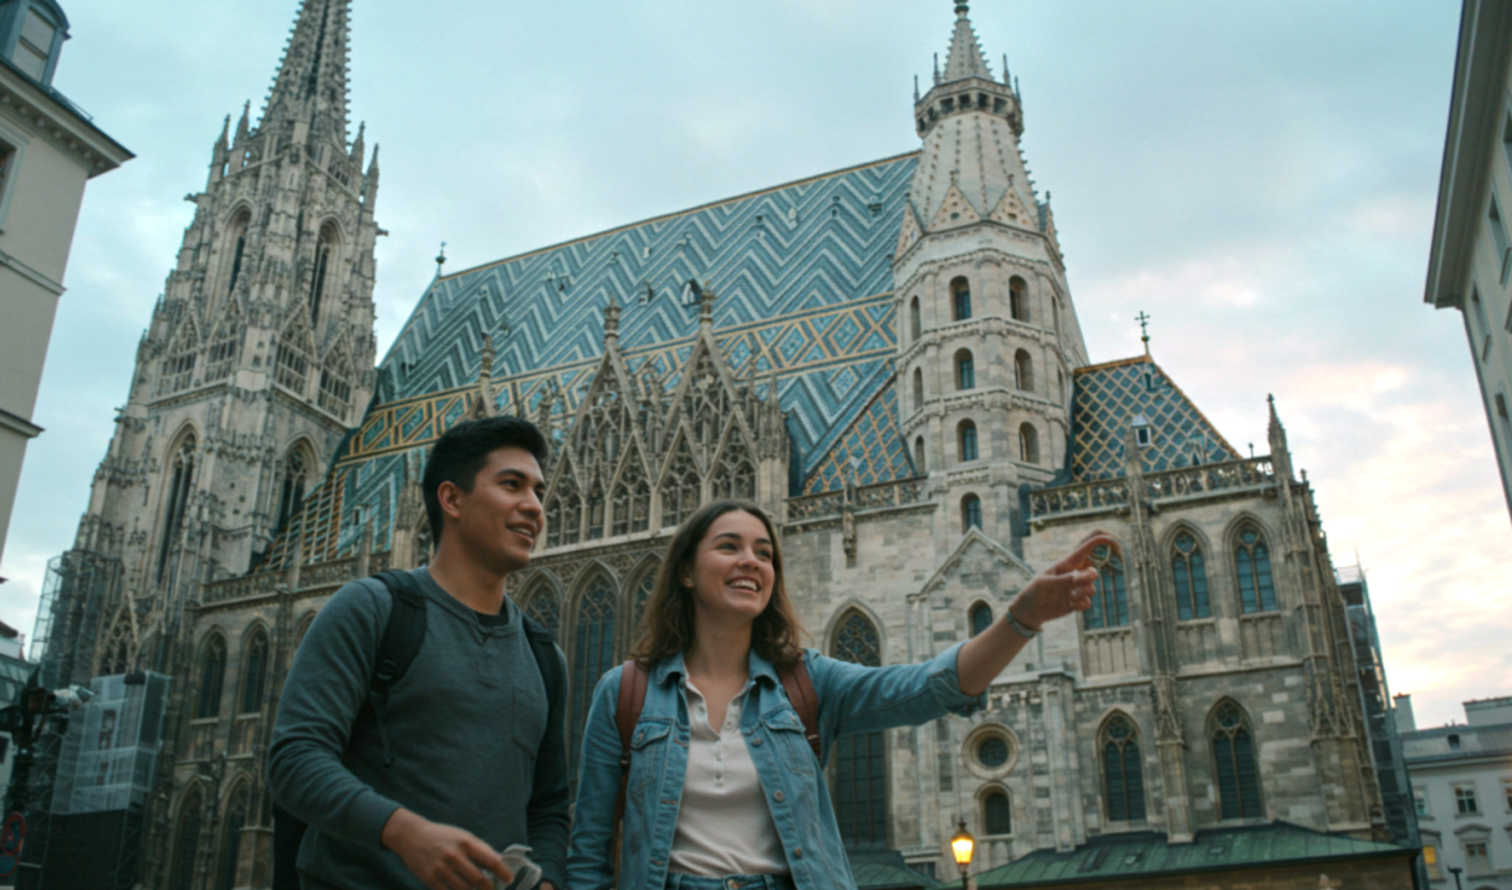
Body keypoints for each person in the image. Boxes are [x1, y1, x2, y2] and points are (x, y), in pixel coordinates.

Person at [566, 499, 1116, 890]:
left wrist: (1020, 618)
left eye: (764, 552)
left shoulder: (808, 682)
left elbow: (929, 687)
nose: (750, 561)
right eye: (728, 546)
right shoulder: (626, 693)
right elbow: (588, 853)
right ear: (685, 570)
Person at [269, 416, 568, 890]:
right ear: (450, 498)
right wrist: (404, 833)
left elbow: (549, 806)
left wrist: (547, 881)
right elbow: (294, 759)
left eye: (537, 490)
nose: (534, 506)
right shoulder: (372, 609)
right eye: (512, 485)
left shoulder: (546, 657)